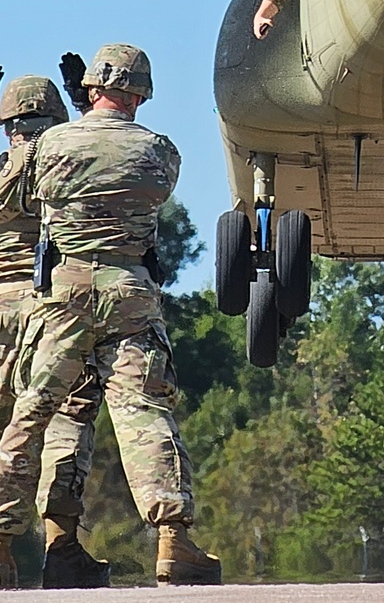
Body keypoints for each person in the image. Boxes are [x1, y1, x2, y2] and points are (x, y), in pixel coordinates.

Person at [0, 45, 221, 588]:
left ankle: (1, 543)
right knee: (144, 412)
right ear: (141, 93)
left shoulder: (51, 144)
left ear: (93, 86)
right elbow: (153, 190)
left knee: (32, 414)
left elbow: (27, 189)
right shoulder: (158, 150)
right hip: (129, 290)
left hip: (62, 291)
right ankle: (174, 542)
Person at [0, 75, 110, 588]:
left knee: (13, 433)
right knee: (66, 421)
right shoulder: (65, 168)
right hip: (51, 310)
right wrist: (85, 103)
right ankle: (60, 547)